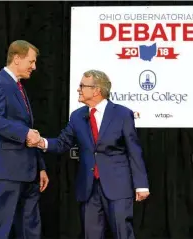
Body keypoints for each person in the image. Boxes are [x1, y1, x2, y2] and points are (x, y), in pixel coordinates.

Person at [28, 69, 150, 239]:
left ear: (96, 90)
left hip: (118, 186)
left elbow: (133, 149)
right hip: (89, 188)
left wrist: (141, 184)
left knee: (123, 234)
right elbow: (63, 142)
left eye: (82, 86)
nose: (78, 89)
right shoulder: (77, 116)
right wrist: (41, 142)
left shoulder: (122, 114)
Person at [0, 40, 49, 239]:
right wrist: (24, 133)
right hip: (7, 168)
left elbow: (27, 129)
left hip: (29, 171)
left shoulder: (18, 86)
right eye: (31, 61)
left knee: (30, 228)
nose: (34, 67)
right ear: (17, 59)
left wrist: (40, 167)